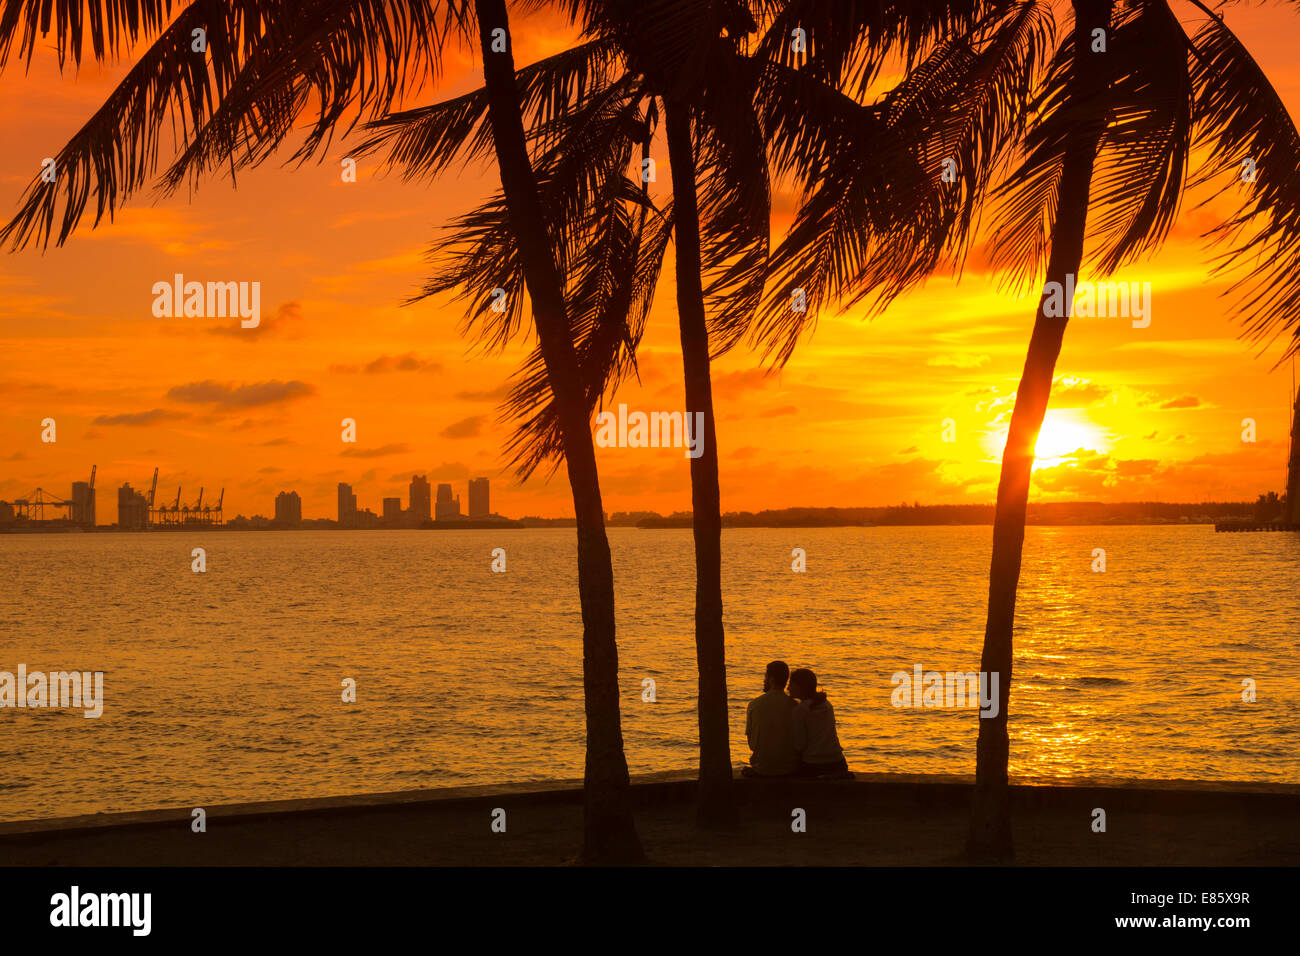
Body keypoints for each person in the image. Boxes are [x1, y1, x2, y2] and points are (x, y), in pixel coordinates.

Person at [788, 668, 850, 777]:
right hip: (838, 762)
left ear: (801, 687)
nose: (788, 688)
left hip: (814, 765)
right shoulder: (827, 705)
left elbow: (800, 745)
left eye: (791, 684)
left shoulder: (800, 710)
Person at [744, 660, 798, 777]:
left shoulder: (754, 704)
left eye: (765, 677)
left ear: (771, 679)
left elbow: (752, 744)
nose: (764, 680)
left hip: (762, 768)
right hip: (790, 768)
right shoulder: (796, 707)